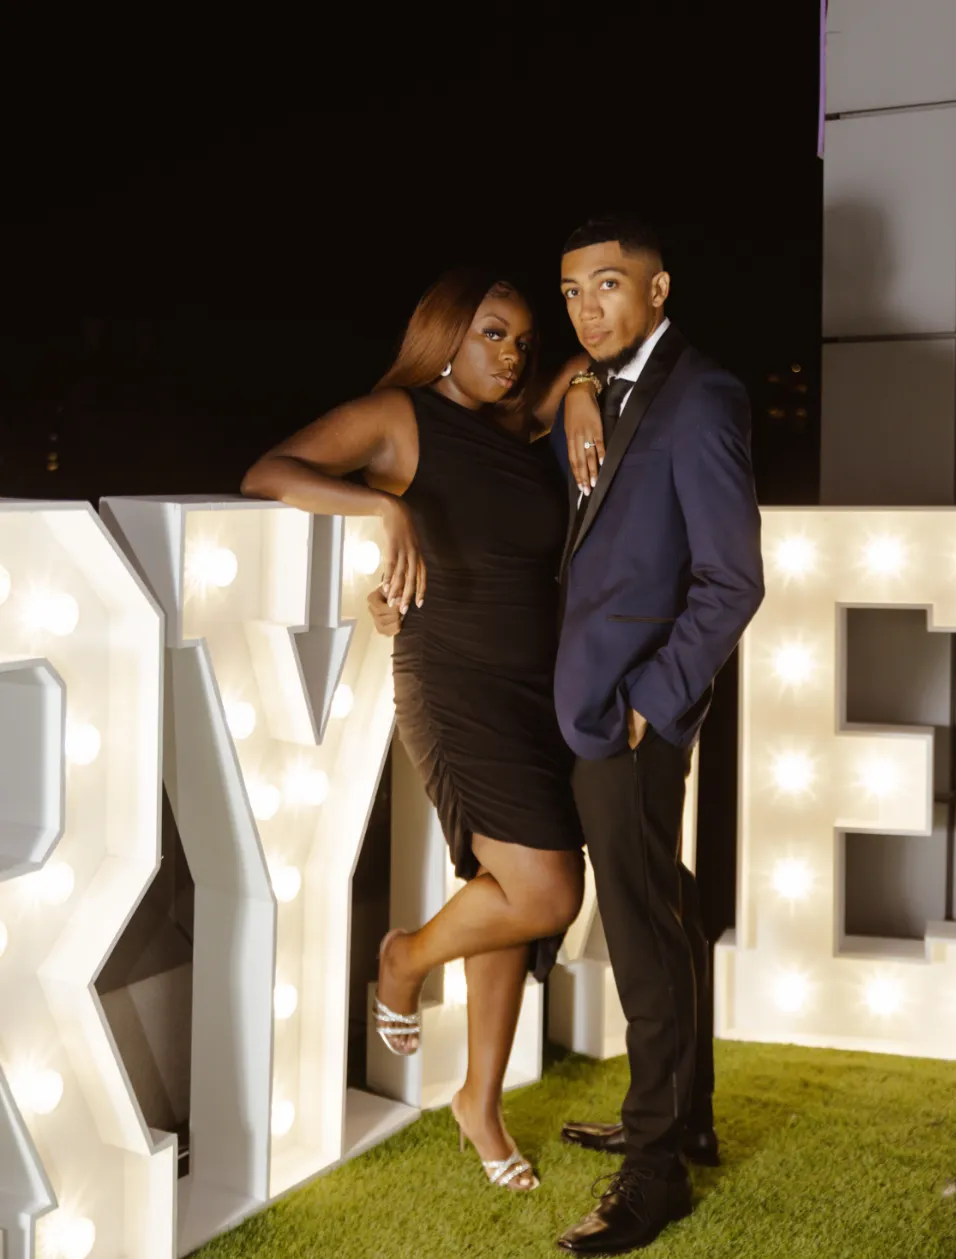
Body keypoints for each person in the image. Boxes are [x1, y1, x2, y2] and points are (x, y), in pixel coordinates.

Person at [240, 268, 588, 1195]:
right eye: (491, 334)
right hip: (455, 684)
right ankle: (404, 959)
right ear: (444, 336)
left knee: (506, 889)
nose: (512, 355)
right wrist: (382, 505)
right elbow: (269, 471)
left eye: (522, 341)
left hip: (538, 690)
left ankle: (480, 1101)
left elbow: (593, 358)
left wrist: (585, 387)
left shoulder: (519, 428)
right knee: (548, 887)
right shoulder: (399, 417)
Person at [545, 213, 765, 1254]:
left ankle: (654, 1168)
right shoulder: (606, 386)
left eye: (607, 286)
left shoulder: (702, 394)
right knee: (664, 907)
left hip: (631, 718)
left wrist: (651, 699)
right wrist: (577, 386)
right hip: (592, 700)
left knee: (640, 934)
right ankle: (686, 1116)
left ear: (658, 289)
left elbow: (732, 577)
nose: (587, 309)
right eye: (571, 293)